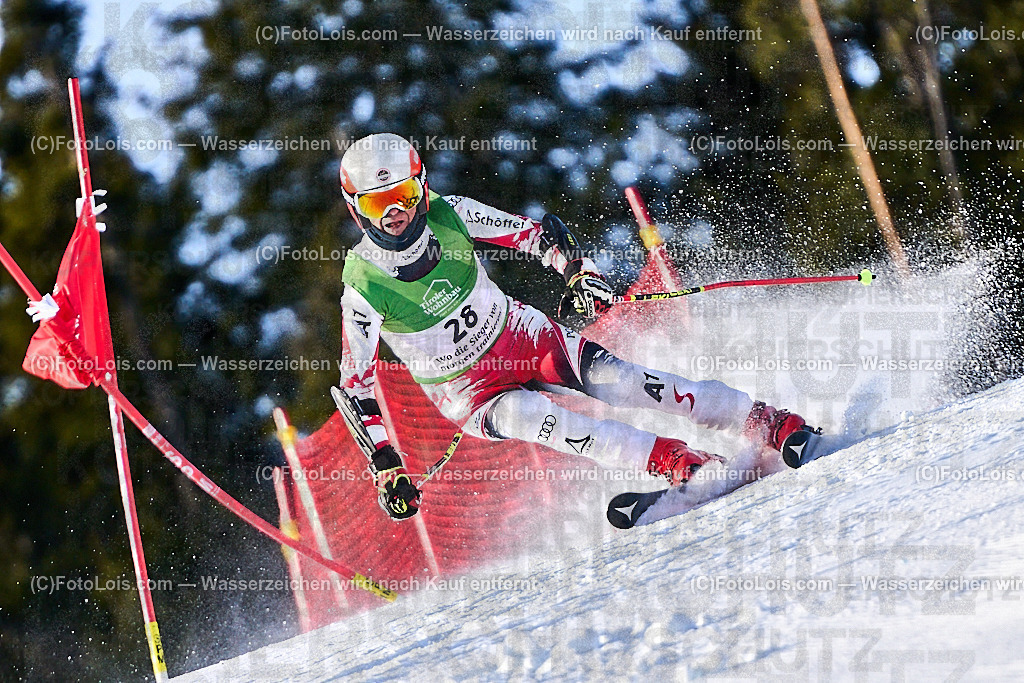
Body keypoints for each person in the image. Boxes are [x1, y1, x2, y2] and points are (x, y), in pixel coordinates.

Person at [337, 133, 814, 520]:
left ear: (421, 187)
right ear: (356, 208)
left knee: (630, 385)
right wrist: (385, 464)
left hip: (521, 337)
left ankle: (765, 421)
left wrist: (578, 273)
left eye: (402, 196)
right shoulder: (362, 284)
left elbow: (535, 236)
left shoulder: (452, 213)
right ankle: (681, 464)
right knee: (557, 426)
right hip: (469, 392)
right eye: (379, 204)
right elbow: (356, 388)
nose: (395, 214)